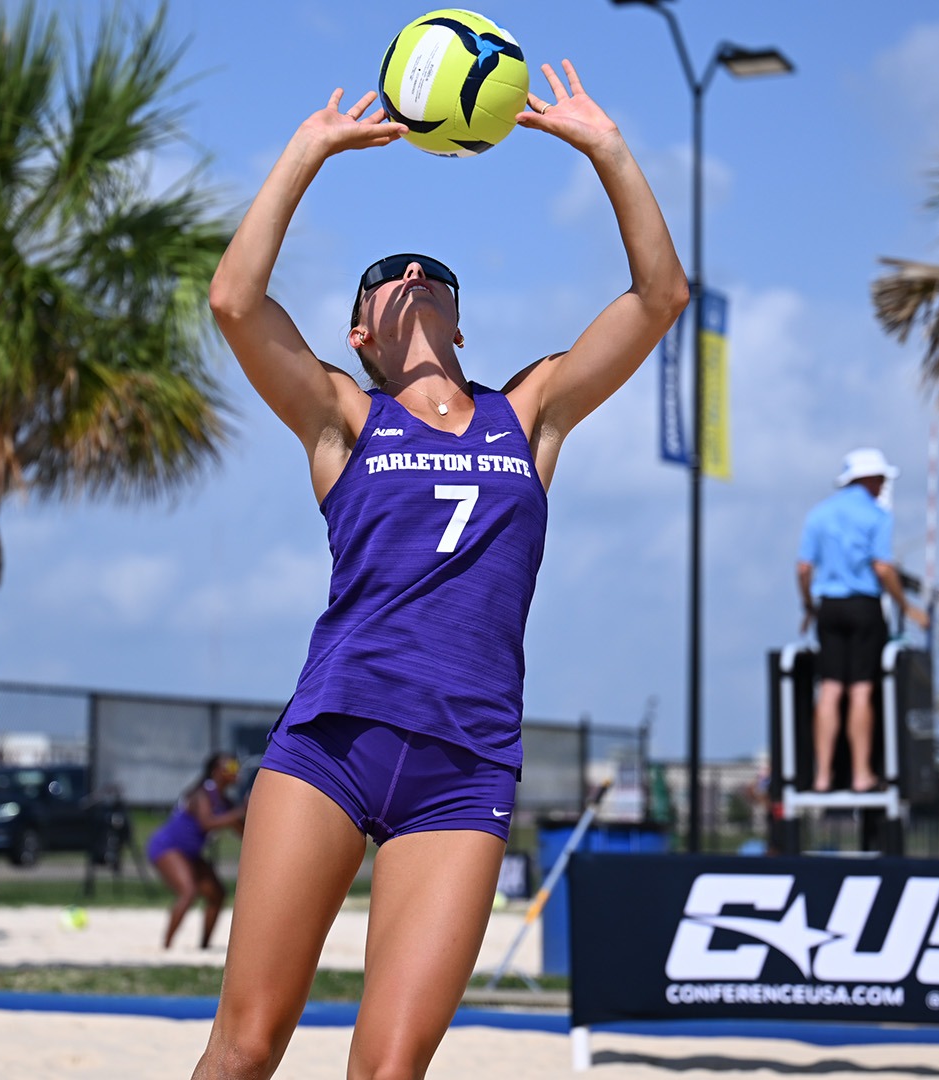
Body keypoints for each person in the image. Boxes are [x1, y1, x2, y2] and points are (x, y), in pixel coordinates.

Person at [200, 60, 687, 1080]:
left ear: (461, 324)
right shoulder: (343, 417)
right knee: (247, 1049)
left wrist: (606, 148)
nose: (410, 273)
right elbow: (237, 301)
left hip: (464, 766)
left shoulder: (531, 413)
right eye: (386, 274)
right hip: (334, 741)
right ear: (362, 332)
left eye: (432, 271)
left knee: (389, 1070)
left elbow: (659, 296)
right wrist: (308, 151)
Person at [796, 448, 929, 794]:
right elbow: (883, 566)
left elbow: (804, 568)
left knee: (829, 689)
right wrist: (908, 607)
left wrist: (809, 606)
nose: (884, 483)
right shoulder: (877, 515)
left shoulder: (818, 514)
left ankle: (822, 775)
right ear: (867, 479)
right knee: (860, 691)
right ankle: (861, 774)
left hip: (829, 608)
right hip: (864, 607)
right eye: (881, 477)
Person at [146, 752, 246, 949]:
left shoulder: (225, 802)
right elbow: (206, 823)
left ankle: (204, 947)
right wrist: (238, 813)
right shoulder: (202, 794)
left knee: (217, 894)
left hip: (190, 854)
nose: (236, 771)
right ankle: (166, 947)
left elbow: (242, 830)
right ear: (216, 771)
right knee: (188, 891)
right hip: (168, 847)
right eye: (231, 767)